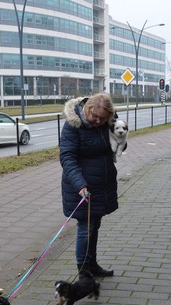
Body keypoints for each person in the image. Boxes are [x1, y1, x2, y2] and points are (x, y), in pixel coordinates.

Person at [60, 93, 118, 278]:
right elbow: (67, 157)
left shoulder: (107, 124)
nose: (98, 121)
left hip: (101, 185)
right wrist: (80, 184)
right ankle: (84, 273)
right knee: (86, 228)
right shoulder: (72, 125)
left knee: (95, 225)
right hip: (82, 186)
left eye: (103, 118)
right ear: (88, 109)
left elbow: (115, 145)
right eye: (95, 116)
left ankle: (92, 264)